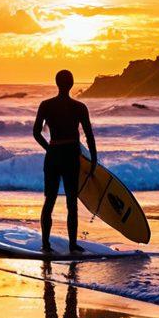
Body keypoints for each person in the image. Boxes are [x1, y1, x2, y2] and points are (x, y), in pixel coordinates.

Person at [32, 69, 96, 252]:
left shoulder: (46, 105)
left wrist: (49, 148)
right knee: (71, 202)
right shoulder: (80, 107)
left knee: (49, 200)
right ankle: (72, 244)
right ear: (72, 84)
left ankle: (45, 244)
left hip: (53, 155)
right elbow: (89, 137)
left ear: (56, 83)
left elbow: (36, 133)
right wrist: (94, 160)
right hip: (70, 155)